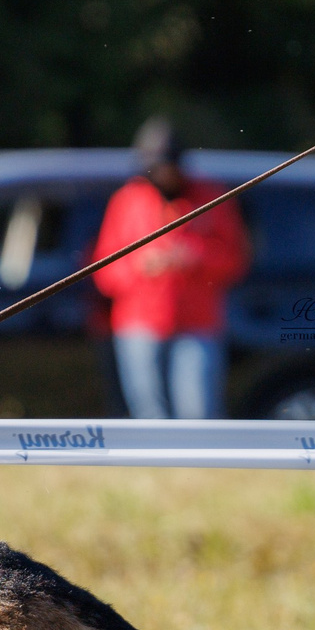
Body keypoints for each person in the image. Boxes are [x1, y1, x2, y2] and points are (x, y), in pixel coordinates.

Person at [92, 117, 250, 419]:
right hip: (138, 325)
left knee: (198, 412)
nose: (163, 175)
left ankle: (201, 468)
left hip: (197, 325)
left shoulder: (211, 196)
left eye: (168, 166)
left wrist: (194, 256)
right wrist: (141, 265)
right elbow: (104, 270)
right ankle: (152, 469)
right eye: (155, 167)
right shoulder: (127, 200)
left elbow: (235, 259)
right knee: (148, 414)